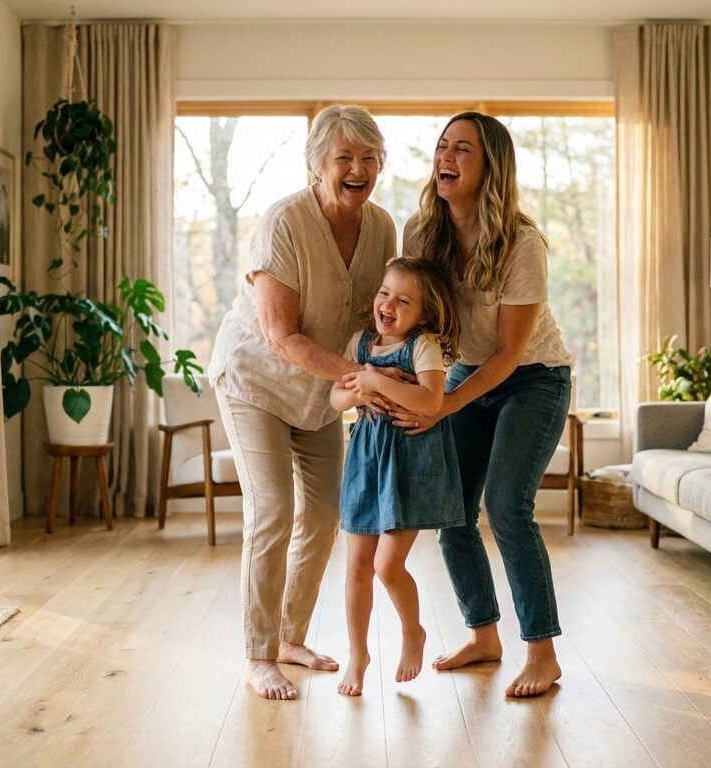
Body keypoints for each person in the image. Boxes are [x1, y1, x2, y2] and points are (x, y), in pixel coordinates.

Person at [206, 105, 397, 701]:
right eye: (345, 158)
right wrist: (364, 379)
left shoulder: (382, 227)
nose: (358, 169)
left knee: (322, 513)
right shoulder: (285, 222)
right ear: (318, 165)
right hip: (257, 383)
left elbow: (379, 314)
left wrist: (399, 371)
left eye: (369, 158)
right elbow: (280, 336)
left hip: (319, 392)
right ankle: (258, 655)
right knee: (272, 509)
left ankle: (290, 638)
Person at [390, 112, 574, 698]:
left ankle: (542, 653)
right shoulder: (422, 233)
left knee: (507, 506)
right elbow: (415, 321)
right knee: (452, 511)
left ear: (490, 166)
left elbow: (507, 353)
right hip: (467, 373)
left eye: (461, 149)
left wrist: (441, 405)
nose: (445, 157)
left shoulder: (522, 243)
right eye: (442, 146)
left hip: (533, 378)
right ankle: (483, 636)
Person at [330, 257, 463, 696]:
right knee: (356, 567)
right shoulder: (360, 342)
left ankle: (412, 631)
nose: (388, 305)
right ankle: (358, 655)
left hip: (409, 464)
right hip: (366, 461)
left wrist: (375, 382)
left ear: (423, 314)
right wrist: (358, 389)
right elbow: (336, 398)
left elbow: (430, 401)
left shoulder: (424, 345)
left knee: (387, 565)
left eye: (404, 301)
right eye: (384, 293)